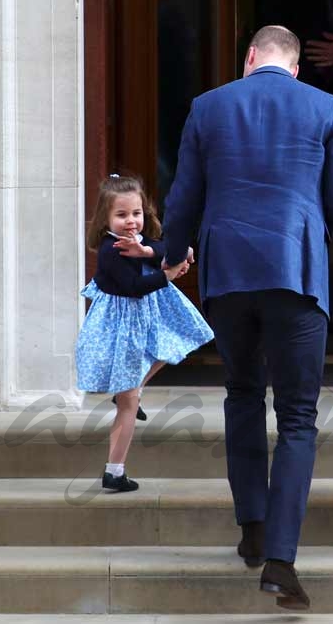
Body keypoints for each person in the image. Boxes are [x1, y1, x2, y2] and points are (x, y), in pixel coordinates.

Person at [162, 25, 333, 610]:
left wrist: (174, 254)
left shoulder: (208, 107)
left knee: (243, 393)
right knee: (298, 416)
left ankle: (251, 525)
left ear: (249, 58)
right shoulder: (327, 107)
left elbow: (183, 197)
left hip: (228, 273)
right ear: (295, 68)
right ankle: (281, 560)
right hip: (298, 271)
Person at [74, 174, 213, 493]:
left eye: (136, 214)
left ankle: (131, 389)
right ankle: (114, 472)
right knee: (129, 402)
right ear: (106, 218)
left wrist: (163, 253)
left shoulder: (136, 239)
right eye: (121, 216)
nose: (131, 222)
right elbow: (135, 288)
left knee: (172, 346)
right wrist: (168, 274)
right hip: (122, 327)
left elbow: (158, 246)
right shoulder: (110, 250)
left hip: (141, 321)